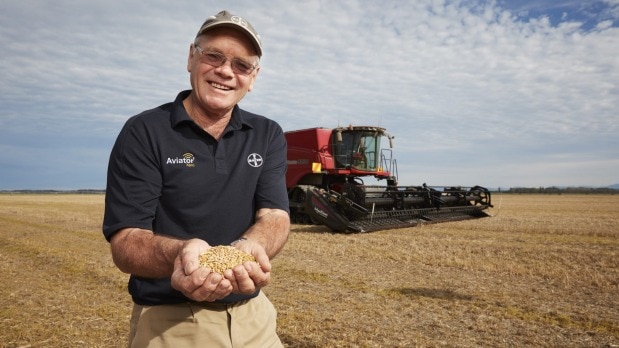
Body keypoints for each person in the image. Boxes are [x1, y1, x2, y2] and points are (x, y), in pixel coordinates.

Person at [102, 10, 290, 348]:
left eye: (241, 65)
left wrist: (251, 249)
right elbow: (126, 241)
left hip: (254, 317)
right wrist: (183, 254)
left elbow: (274, 214)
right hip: (170, 322)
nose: (225, 71)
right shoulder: (144, 132)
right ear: (191, 57)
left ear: (254, 76)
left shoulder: (267, 134)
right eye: (213, 56)